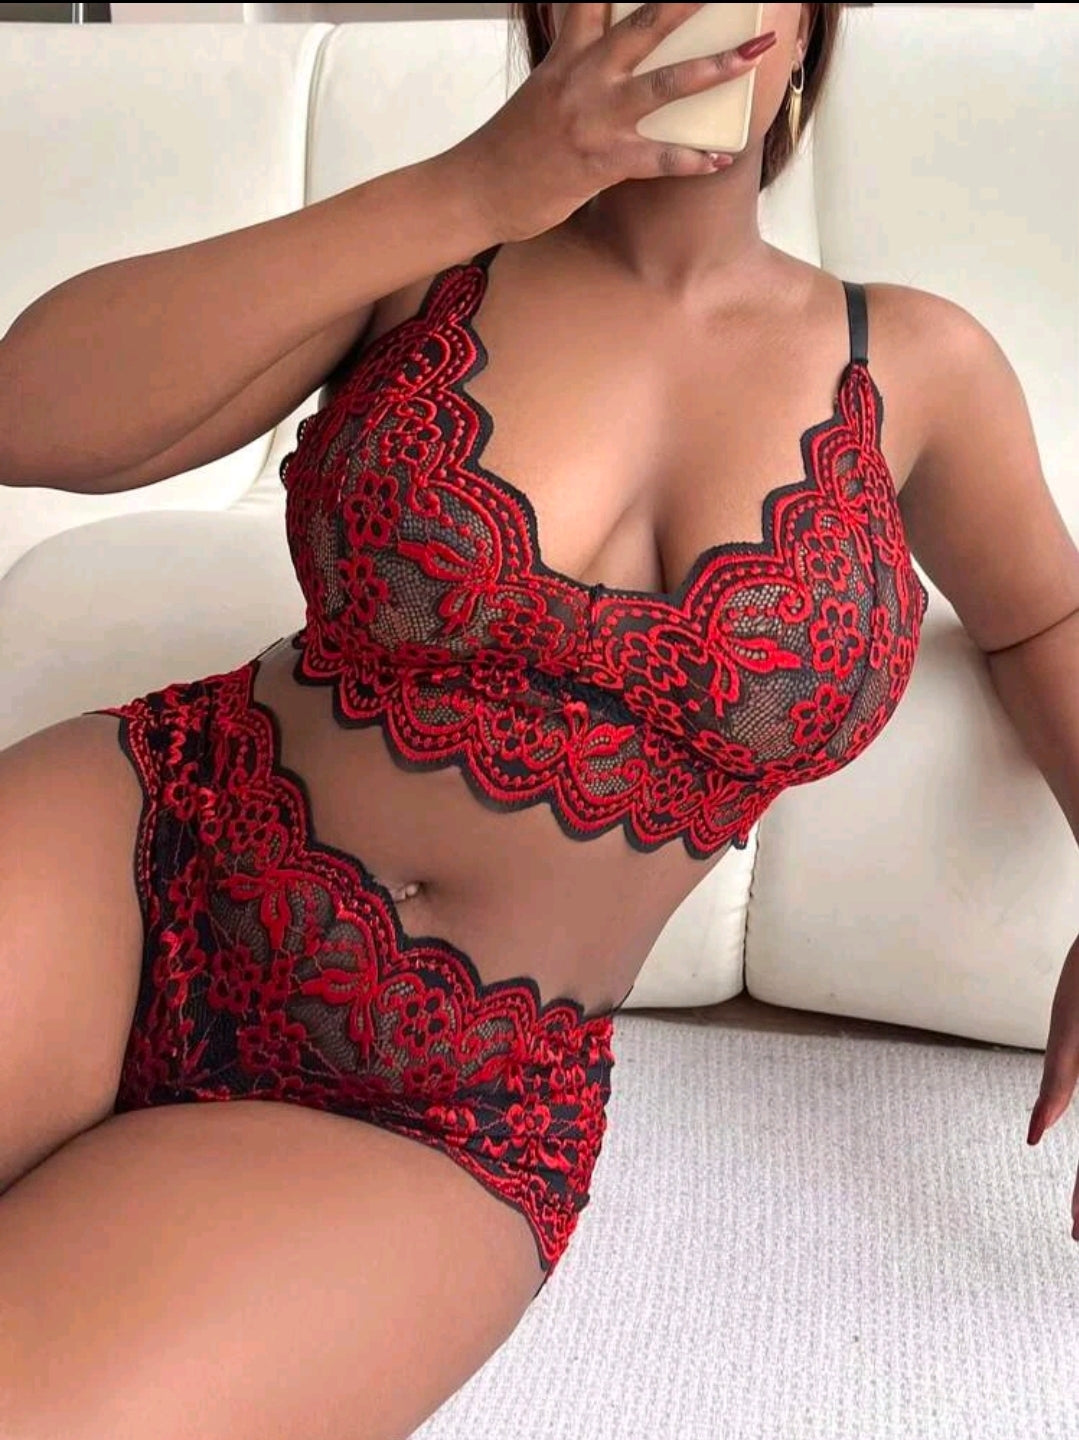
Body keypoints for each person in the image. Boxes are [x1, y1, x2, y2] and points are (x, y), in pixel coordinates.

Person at [2, 3, 1078, 1437]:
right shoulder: (430, 257)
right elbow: (28, 413)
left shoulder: (921, 367)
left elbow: (1043, 619)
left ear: (806, 29)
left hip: (439, 1103)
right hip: (136, 853)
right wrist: (474, 185)